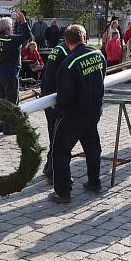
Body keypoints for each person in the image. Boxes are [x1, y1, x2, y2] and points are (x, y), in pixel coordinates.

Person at [50, 25, 107, 203]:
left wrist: (57, 109)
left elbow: (65, 96)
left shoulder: (69, 64)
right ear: (84, 37)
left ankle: (63, 192)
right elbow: (101, 78)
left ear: (66, 41)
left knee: (59, 150)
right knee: (92, 147)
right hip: (94, 111)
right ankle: (94, 182)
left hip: (74, 114)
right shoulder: (98, 55)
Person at [0, 12, 31, 133]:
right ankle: (9, 128)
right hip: (10, 74)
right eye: (11, 27)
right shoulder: (10, 40)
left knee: (1, 100)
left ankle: (0, 125)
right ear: (7, 28)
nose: (12, 29)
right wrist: (23, 22)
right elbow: (27, 35)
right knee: (11, 101)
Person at [40, 38, 69, 183]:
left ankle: (49, 166)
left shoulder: (57, 48)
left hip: (47, 96)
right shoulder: (66, 52)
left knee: (54, 134)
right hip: (55, 101)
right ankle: (53, 171)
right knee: (59, 137)